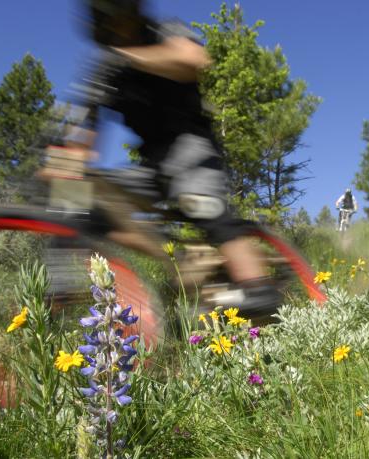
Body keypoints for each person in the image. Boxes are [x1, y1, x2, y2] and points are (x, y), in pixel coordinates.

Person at [52, 0, 280, 317]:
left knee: (200, 202)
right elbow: (83, 140)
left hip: (192, 144)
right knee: (82, 201)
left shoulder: (162, 32)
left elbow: (195, 59)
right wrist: (63, 170)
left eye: (117, 21)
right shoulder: (106, 71)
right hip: (152, 163)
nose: (114, 31)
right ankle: (173, 262)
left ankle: (260, 289)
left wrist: (130, 56)